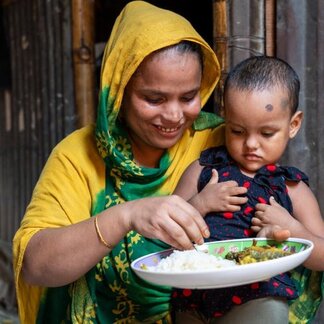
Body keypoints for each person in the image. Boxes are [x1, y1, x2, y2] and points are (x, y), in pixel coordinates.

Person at [12, 1, 229, 323]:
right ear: (118, 91)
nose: (173, 116)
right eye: (154, 99)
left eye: (188, 97)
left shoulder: (218, 141)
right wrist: (126, 215)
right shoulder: (78, 156)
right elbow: (36, 265)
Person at [172, 56, 324, 323]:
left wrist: (293, 229)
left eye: (266, 133)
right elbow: (166, 229)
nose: (251, 144)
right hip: (194, 296)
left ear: (293, 125)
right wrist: (199, 204)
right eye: (238, 131)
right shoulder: (204, 169)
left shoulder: (292, 188)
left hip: (259, 296)